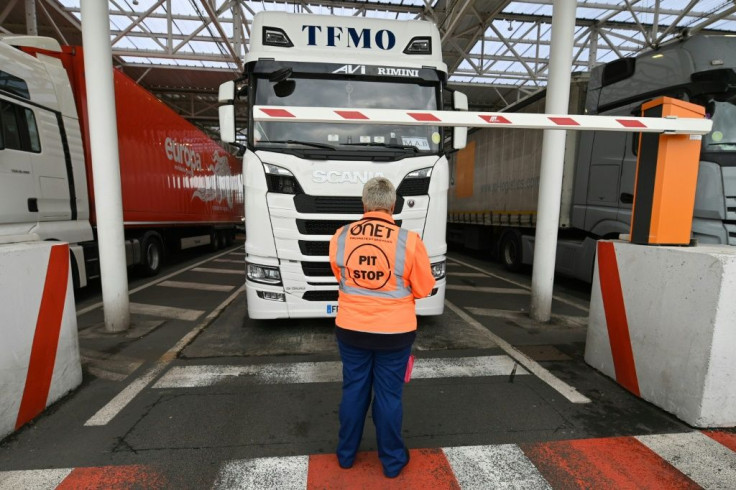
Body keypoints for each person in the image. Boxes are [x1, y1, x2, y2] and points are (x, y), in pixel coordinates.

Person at [328, 176, 436, 478]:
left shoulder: (341, 236)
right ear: (393, 205)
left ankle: (346, 455)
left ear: (364, 205)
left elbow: (341, 275)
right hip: (395, 334)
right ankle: (391, 462)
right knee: (389, 396)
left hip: (350, 330)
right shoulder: (409, 241)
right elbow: (424, 288)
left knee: (354, 390)